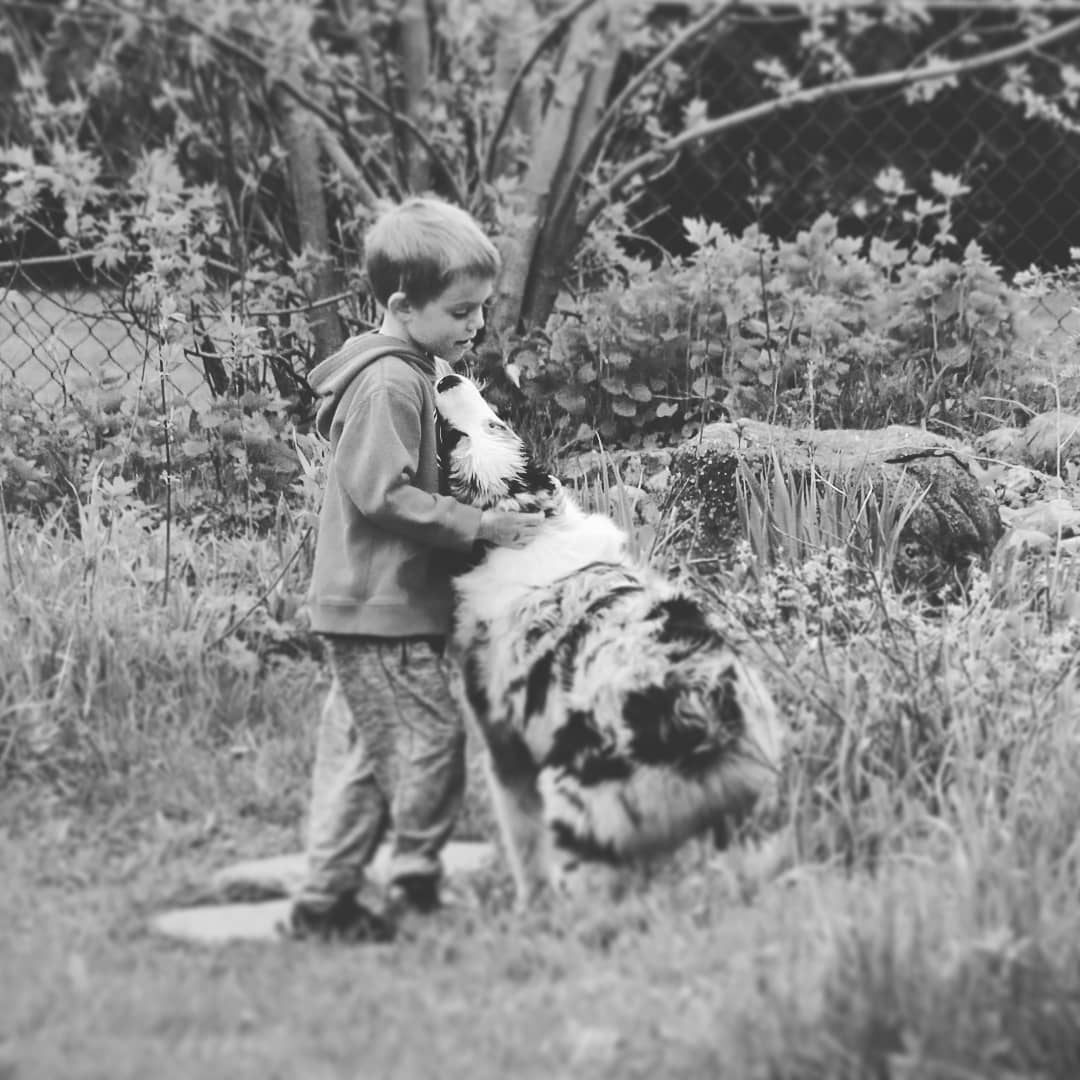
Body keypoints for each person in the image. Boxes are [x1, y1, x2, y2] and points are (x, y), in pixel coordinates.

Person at [285, 196, 544, 942]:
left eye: (481, 310)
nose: (477, 325)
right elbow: (383, 494)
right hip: (381, 605)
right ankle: (416, 889)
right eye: (462, 311)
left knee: (368, 757)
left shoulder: (408, 370)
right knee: (431, 743)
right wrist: (480, 525)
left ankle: (326, 901)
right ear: (402, 304)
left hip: (374, 604)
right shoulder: (391, 382)